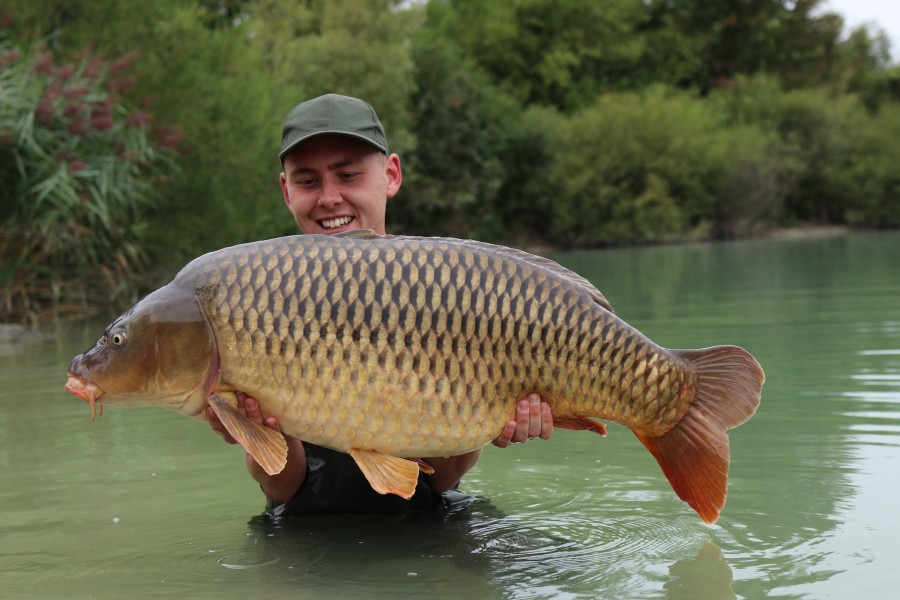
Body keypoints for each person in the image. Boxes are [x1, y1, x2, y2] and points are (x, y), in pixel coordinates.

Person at [207, 93, 553, 516]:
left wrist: (495, 422)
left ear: (391, 175)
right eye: (308, 181)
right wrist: (253, 430)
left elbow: (442, 479)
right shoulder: (258, 299)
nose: (329, 197)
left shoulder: (444, 288)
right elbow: (284, 488)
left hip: (429, 518)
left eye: (348, 175)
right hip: (308, 529)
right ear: (286, 190)